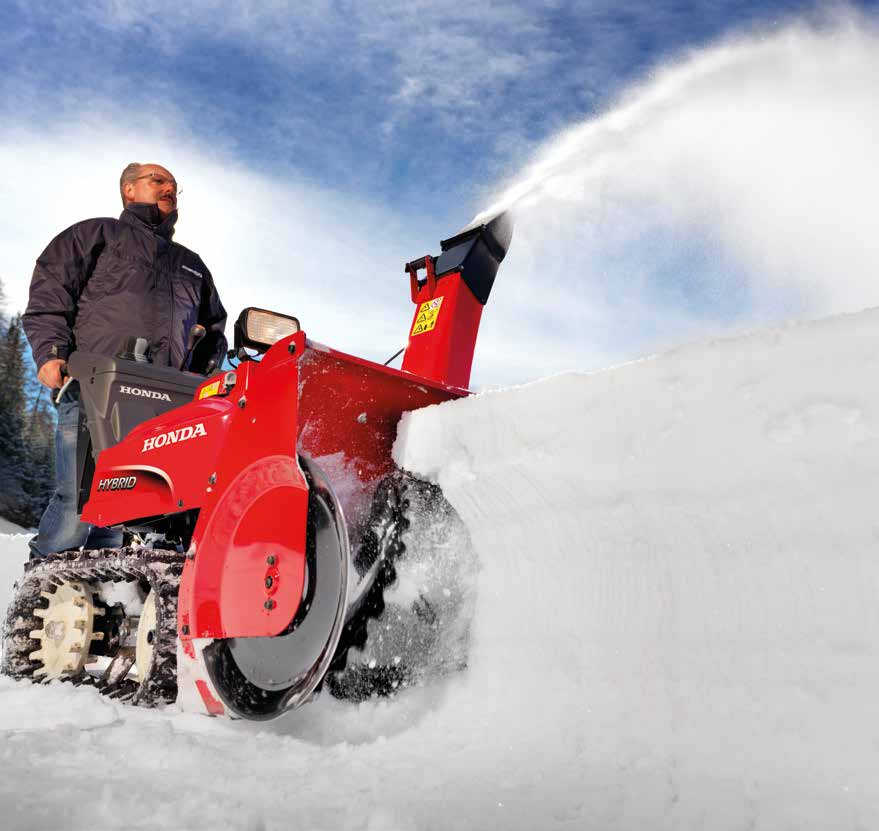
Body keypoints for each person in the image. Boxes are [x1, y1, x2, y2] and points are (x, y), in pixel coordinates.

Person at [22, 162, 227, 559]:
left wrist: (200, 379)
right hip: (92, 387)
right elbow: (51, 293)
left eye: (174, 185)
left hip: (167, 405)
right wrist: (51, 353)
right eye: (159, 180)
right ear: (129, 189)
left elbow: (213, 330)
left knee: (124, 510)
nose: (170, 188)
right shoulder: (95, 234)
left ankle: (98, 600)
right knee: (77, 502)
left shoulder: (191, 265)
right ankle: (39, 597)